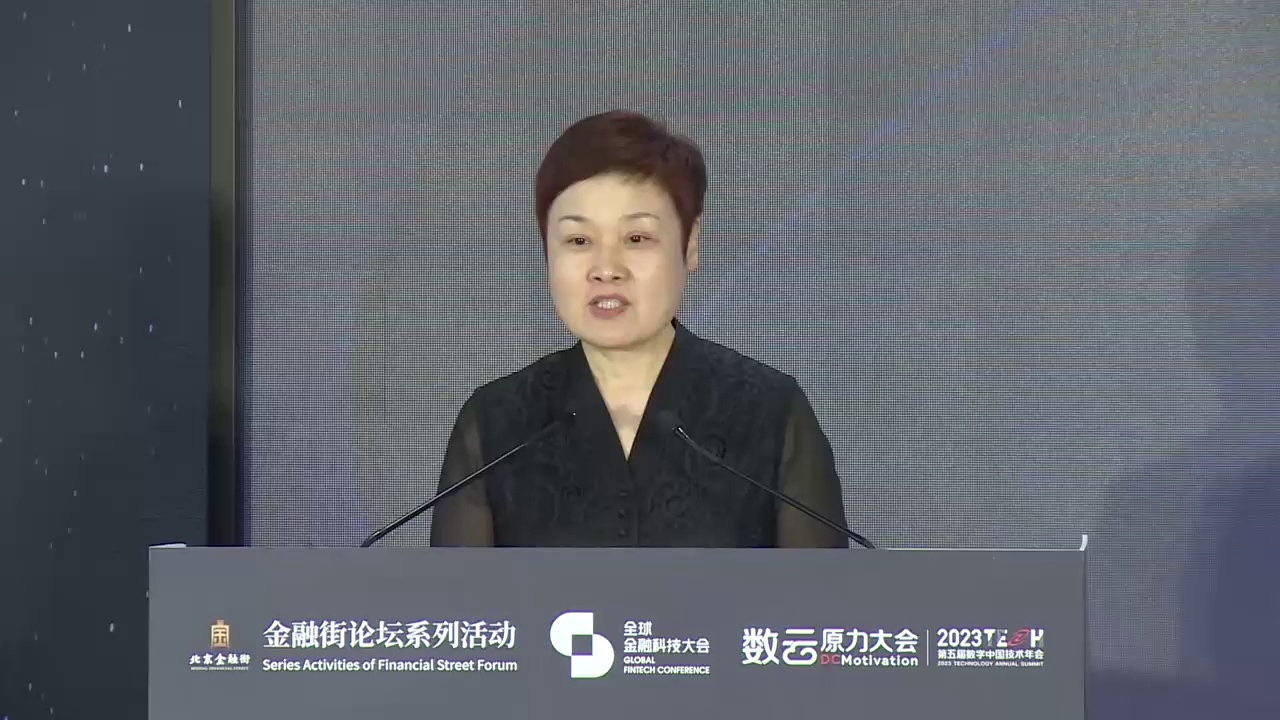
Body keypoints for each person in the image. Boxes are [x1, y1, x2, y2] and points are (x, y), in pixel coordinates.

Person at [428, 110, 853, 548]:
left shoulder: (771, 413)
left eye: (636, 239)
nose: (606, 269)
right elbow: (453, 591)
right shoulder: (497, 425)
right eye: (578, 241)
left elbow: (822, 589)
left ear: (690, 245)